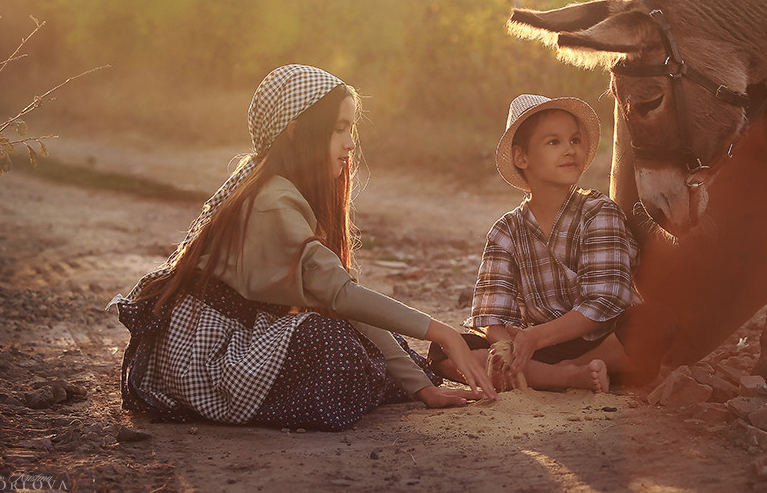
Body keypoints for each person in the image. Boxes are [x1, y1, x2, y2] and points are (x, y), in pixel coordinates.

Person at [111, 64, 495, 432]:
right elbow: (342, 297)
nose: (351, 143)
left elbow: (349, 303)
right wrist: (442, 333)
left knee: (374, 346)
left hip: (248, 334)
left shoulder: (284, 190)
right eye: (339, 129)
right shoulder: (271, 199)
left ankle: (393, 378)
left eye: (352, 129)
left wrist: (422, 389)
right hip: (205, 354)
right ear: (296, 132)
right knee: (333, 346)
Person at [430, 94, 649, 393]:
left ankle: (559, 371)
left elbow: (604, 302)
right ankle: (566, 377)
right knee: (444, 352)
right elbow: (494, 317)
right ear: (522, 158)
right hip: (545, 346)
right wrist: (508, 349)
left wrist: (535, 339)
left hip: (604, 337)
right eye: (553, 142)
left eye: (574, 140)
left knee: (650, 326)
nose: (570, 150)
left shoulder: (600, 212)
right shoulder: (505, 231)